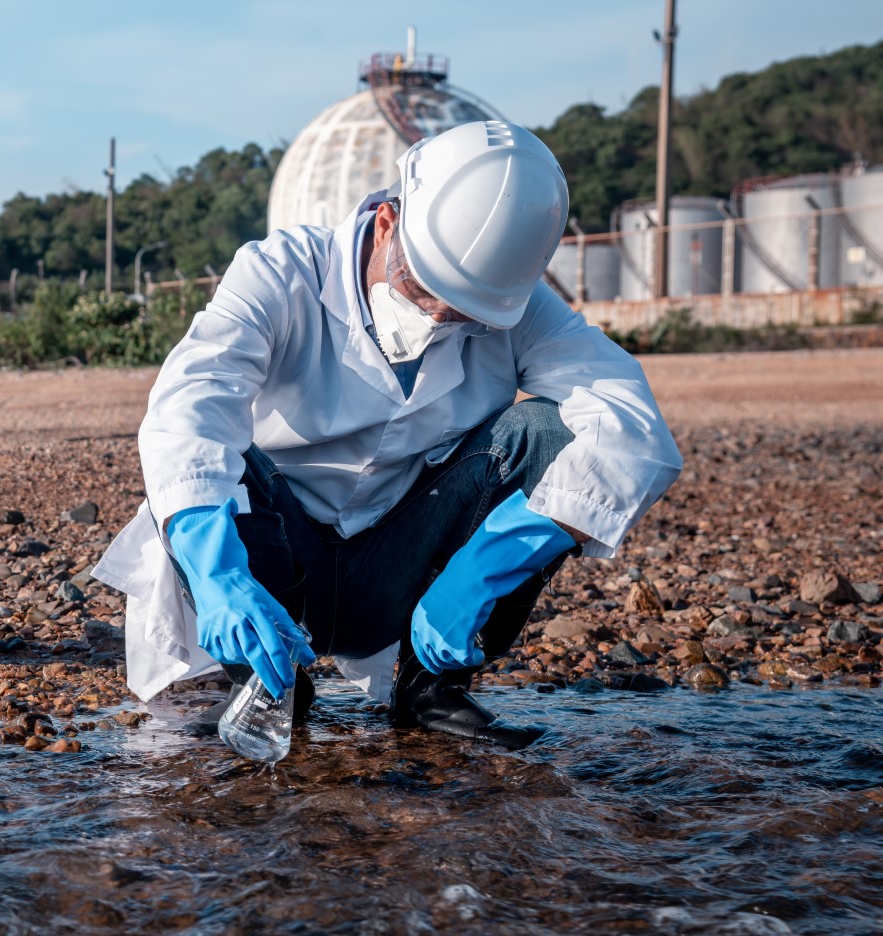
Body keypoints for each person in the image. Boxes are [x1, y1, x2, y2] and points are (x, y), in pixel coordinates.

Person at [93, 120, 682, 749]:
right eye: (427, 292)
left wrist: (487, 566)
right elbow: (189, 409)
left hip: (399, 566)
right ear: (386, 225)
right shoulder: (279, 273)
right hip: (274, 562)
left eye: (460, 312)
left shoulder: (514, 307)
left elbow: (634, 432)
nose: (436, 317)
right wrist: (216, 574)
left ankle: (431, 687)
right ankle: (271, 684)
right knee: (218, 462)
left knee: (542, 431)